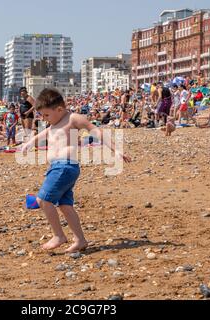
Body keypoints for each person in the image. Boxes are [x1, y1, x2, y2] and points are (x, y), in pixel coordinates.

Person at [21, 88, 131, 253]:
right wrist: (29, 143)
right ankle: (80, 239)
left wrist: (116, 149)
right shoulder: (53, 124)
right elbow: (42, 134)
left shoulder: (72, 118)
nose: (44, 119)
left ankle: (58, 235)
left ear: (59, 109)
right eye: (42, 116)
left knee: (44, 201)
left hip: (64, 167)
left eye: (46, 115)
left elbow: (96, 131)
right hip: (59, 168)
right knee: (65, 205)